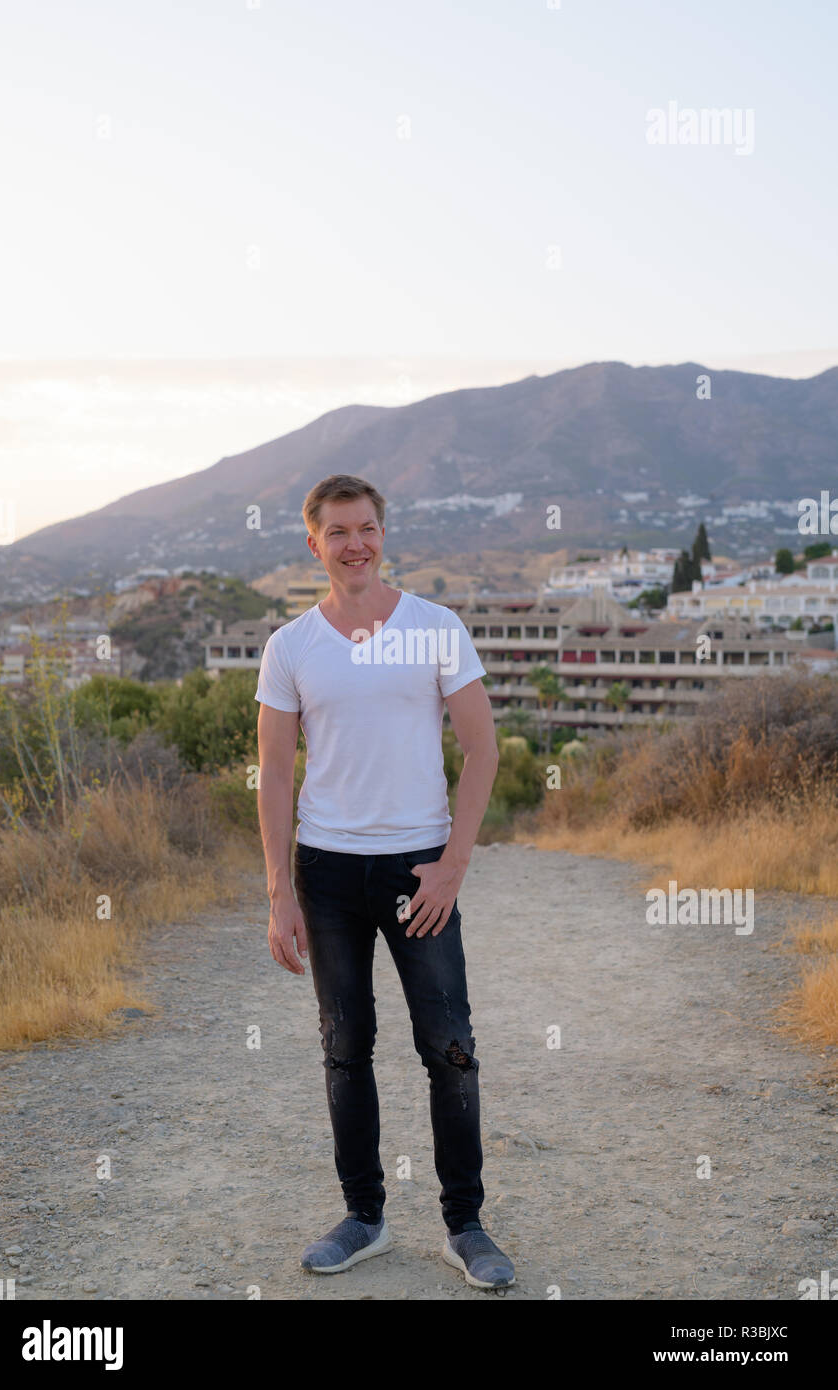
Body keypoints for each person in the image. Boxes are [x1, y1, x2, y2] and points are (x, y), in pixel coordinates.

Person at [255, 473, 515, 1290]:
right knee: (345, 1050)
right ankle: (364, 1218)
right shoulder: (291, 645)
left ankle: (465, 1226)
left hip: (418, 867)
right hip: (327, 873)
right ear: (314, 544)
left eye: (365, 527)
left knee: (451, 1050)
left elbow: (483, 749)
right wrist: (279, 893)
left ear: (382, 532)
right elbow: (272, 775)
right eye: (337, 532)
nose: (355, 543)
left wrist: (452, 866)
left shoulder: (435, 628)